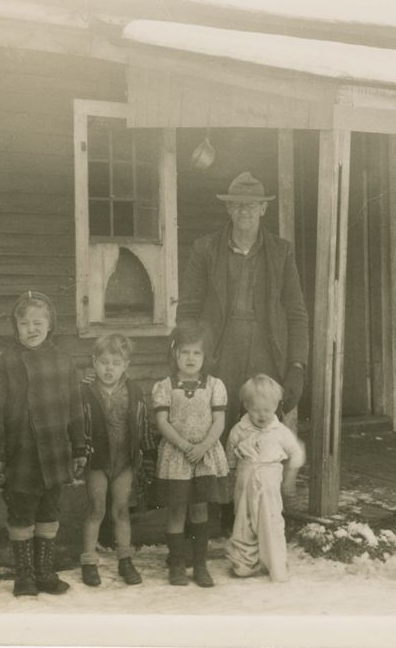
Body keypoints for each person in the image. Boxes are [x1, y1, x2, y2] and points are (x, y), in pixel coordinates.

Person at [176, 171, 309, 440]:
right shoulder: (206, 249)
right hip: (220, 350)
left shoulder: (281, 252)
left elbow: (296, 314)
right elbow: (188, 310)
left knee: (264, 433)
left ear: (263, 208)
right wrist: (189, 357)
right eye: (237, 203)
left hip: (266, 350)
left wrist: (296, 366)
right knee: (215, 430)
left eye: (251, 204)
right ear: (228, 207)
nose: (244, 210)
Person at [0, 291, 85, 598]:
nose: (32, 328)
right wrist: (0, 458)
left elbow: (74, 408)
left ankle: (45, 571)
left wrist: (79, 447)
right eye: (25, 322)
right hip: (22, 451)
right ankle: (24, 575)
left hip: (55, 449)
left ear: (50, 324)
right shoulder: (4, 363)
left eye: (38, 322)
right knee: (22, 511)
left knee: (49, 509)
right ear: (15, 327)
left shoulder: (62, 360)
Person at [152, 320, 229, 587]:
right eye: (185, 352)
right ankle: (176, 563)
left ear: (205, 356)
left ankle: (199, 564)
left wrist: (203, 447)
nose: (190, 358)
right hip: (177, 456)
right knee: (176, 510)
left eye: (197, 353)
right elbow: (163, 423)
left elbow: (219, 422)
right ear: (175, 354)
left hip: (204, 456)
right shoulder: (164, 386)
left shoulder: (214, 385)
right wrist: (185, 447)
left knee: (199, 509)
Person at [78, 332, 149, 588]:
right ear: (94, 362)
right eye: (104, 362)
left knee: (121, 509)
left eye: (116, 363)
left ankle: (125, 560)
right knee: (96, 508)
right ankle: (88, 561)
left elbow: (142, 424)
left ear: (126, 366)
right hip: (97, 460)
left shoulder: (134, 390)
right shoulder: (85, 390)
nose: (109, 368)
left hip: (124, 461)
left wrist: (141, 454)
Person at [225, 374, 306, 582]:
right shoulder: (239, 430)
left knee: (271, 524)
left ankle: (276, 565)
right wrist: (231, 476)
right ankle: (244, 563)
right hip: (244, 485)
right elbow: (230, 455)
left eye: (267, 410)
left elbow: (296, 452)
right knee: (243, 523)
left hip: (269, 486)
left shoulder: (279, 432)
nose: (262, 415)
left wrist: (290, 477)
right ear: (246, 406)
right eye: (256, 410)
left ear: (276, 406)